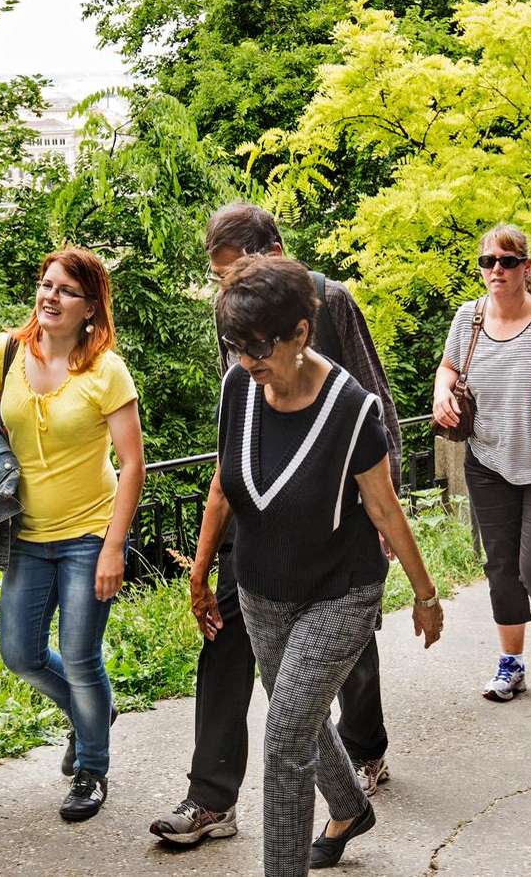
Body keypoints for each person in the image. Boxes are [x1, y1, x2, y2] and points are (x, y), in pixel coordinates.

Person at [151, 202, 403, 845]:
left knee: (341, 649)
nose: (228, 292)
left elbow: (375, 404)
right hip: (254, 501)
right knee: (227, 639)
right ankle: (211, 798)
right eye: (217, 278)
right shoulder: (229, 316)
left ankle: (361, 748)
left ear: (275, 253)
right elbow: (235, 406)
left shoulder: (329, 300)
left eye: (234, 271)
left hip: (331, 517)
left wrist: (382, 511)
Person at [189, 255, 444, 876]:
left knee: (283, 737)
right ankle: (350, 808)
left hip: (341, 591)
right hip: (261, 590)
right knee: (296, 716)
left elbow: (383, 507)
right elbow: (223, 488)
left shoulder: (352, 410)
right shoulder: (237, 390)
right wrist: (199, 576)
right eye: (235, 346)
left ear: (301, 333)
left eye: (259, 347)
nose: (248, 362)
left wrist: (425, 593)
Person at [0, 247, 144, 822]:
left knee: (78, 655)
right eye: (46, 285)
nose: (50, 296)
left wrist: (114, 546)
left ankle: (92, 767)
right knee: (19, 653)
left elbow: (132, 462)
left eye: (65, 290)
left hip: (87, 533)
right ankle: (94, 713)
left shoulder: (106, 371)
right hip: (26, 533)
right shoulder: (8, 350)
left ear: (90, 306)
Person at [434, 224, 531, 701]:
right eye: (488, 261)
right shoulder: (467, 318)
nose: (497, 269)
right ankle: (511, 663)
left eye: (507, 261)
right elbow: (449, 367)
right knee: (501, 565)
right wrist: (441, 395)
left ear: (526, 267)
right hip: (488, 458)